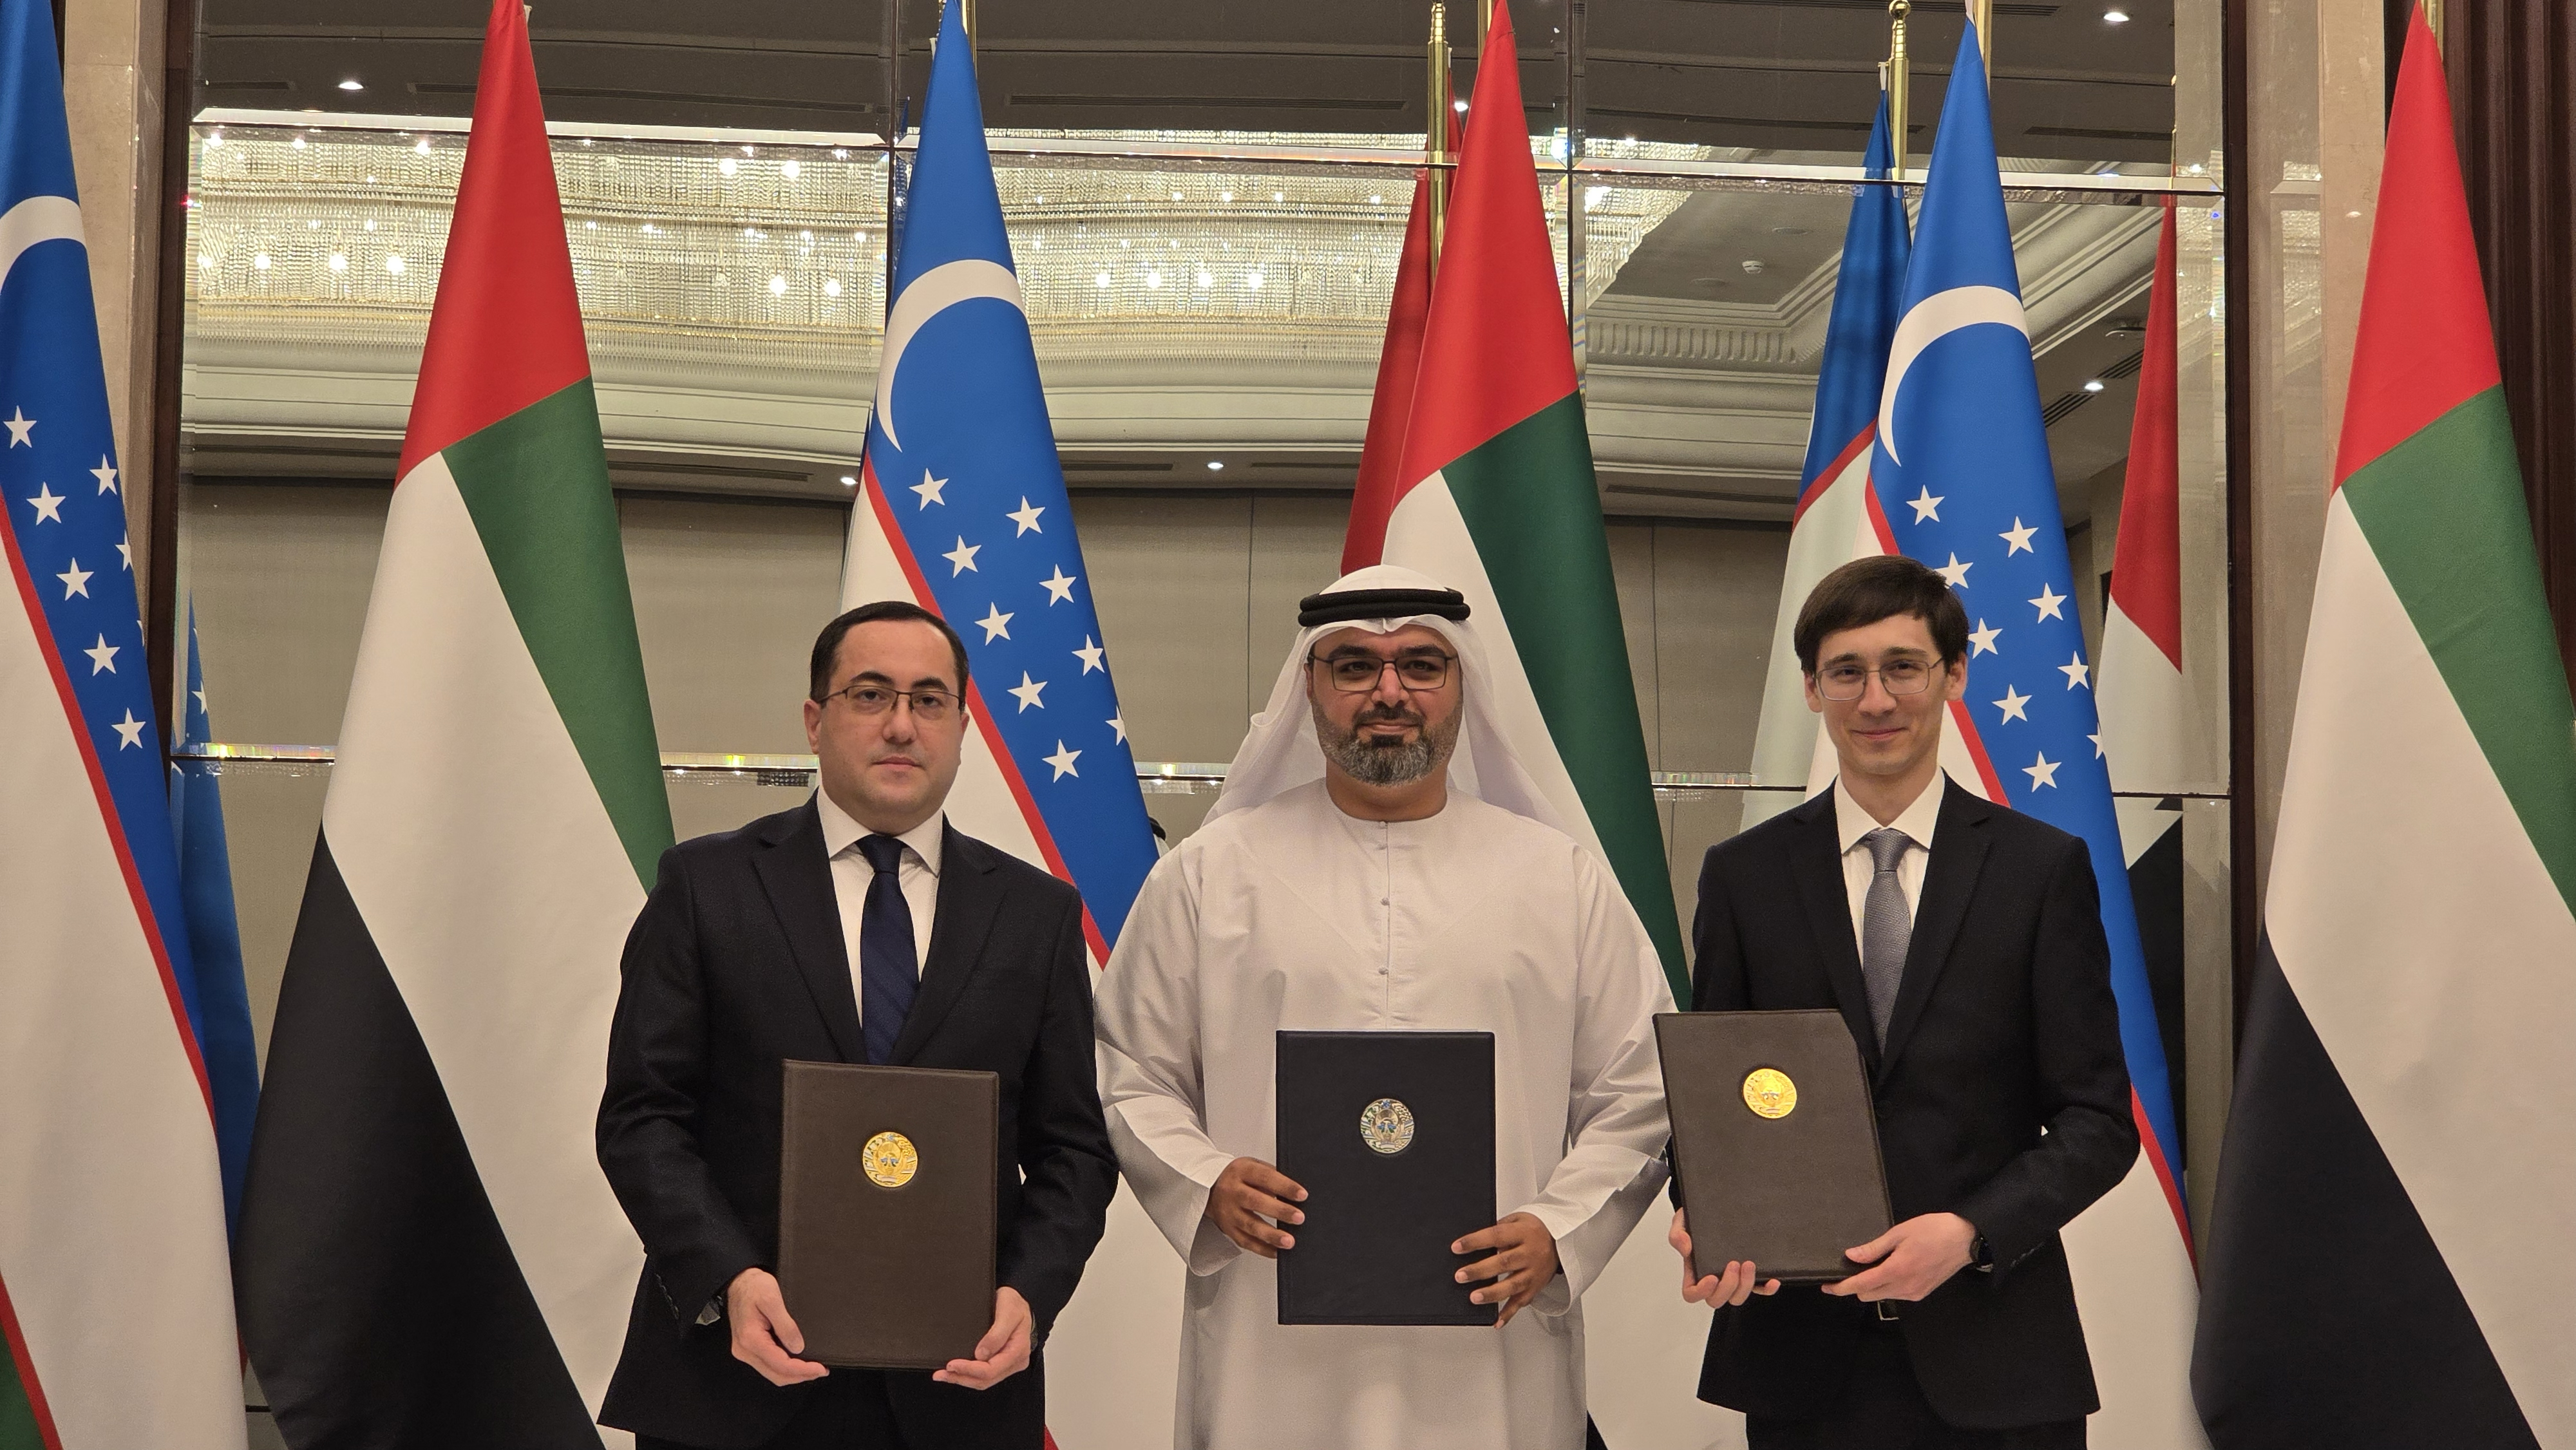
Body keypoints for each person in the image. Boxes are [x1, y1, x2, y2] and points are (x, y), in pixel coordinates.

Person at [1094, 564, 1674, 1450]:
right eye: (1356, 666)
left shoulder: (1556, 877)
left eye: (1422, 665)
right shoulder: (1213, 873)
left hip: (1492, 1343)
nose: (1389, 692)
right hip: (1272, 1345)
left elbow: (1641, 1088)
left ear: (1461, 684)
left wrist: (1557, 1231)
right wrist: (1206, 1182)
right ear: (1311, 688)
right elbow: (1129, 1068)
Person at [596, 601, 1117, 1450]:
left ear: (961, 725)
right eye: (870, 695)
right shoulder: (706, 886)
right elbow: (643, 1117)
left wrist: (1029, 1293)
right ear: (815, 720)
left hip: (957, 1392)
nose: (902, 725)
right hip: (735, 1382)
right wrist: (725, 1275)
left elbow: (1073, 1148)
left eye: (929, 700)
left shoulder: (1038, 914)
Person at [1672, 554, 2138, 1449]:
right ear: (1812, 689)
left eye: (1903, 667)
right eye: (1847, 671)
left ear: (1953, 675)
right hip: (1803, 1357)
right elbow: (1714, 1098)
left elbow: (2096, 1119)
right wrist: (1709, 1222)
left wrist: (1970, 1233)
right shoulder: (1744, 877)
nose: (1876, 699)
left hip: (1997, 1347)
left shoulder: (2042, 871)